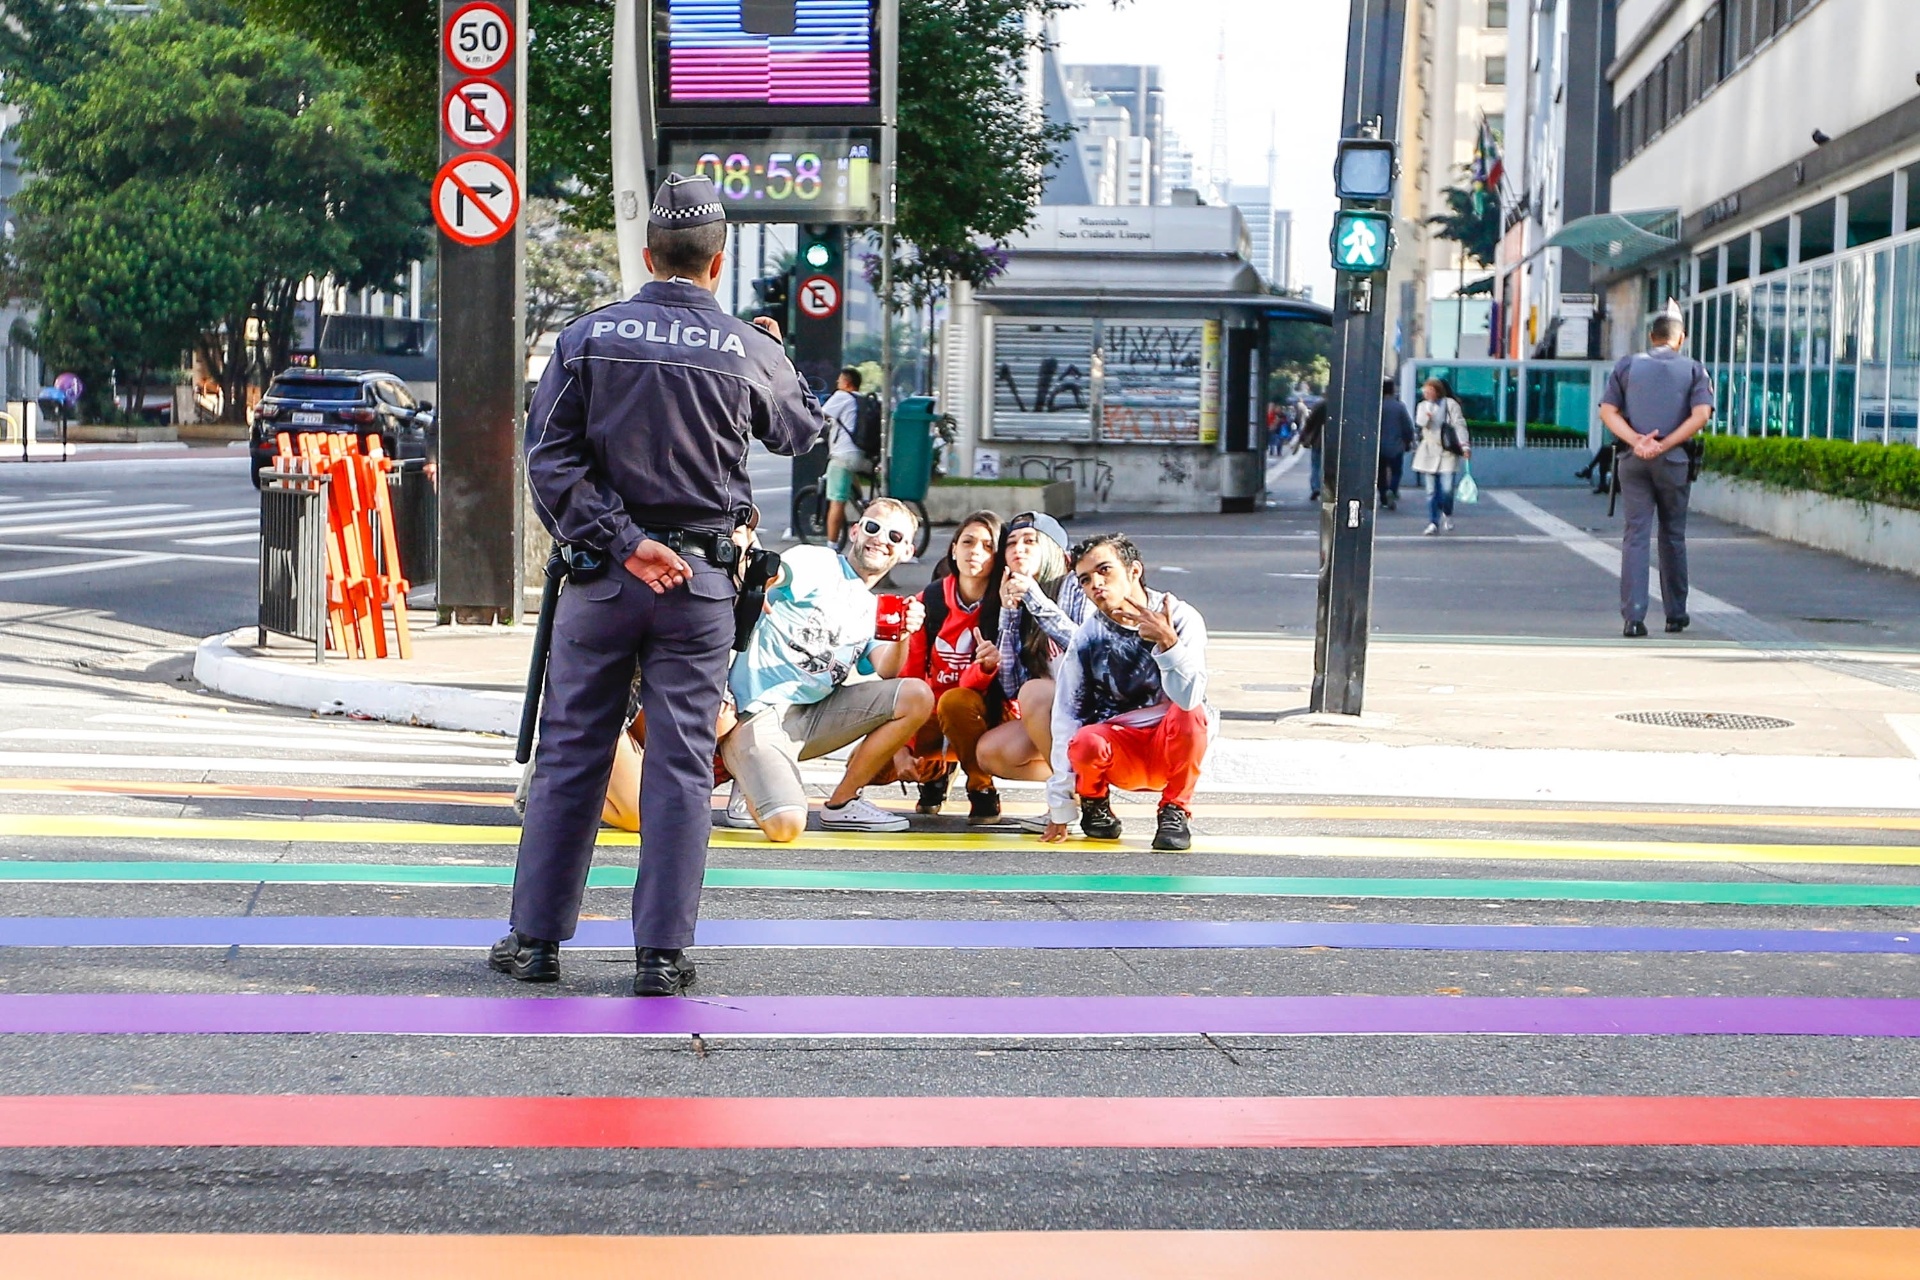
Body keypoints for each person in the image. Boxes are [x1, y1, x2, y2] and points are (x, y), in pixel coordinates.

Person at [495, 172, 821, 997]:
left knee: (572, 753)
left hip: (603, 580)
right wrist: (775, 351)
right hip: (701, 585)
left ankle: (535, 943)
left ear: (649, 257)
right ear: (719, 262)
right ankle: (660, 957)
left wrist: (624, 541)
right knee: (680, 767)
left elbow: (548, 459)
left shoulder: (588, 336)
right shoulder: (748, 348)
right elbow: (800, 431)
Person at [720, 497, 935, 840]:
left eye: (894, 536)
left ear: (907, 551)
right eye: (873, 527)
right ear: (856, 531)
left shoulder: (874, 607)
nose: (881, 539)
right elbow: (779, 573)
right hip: (760, 714)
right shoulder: (820, 562)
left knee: (916, 695)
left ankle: (843, 802)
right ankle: (749, 782)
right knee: (786, 826)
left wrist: (905, 634)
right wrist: (764, 575)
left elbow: (888, 671)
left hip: (813, 717)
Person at [1041, 534, 1214, 853]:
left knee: (1192, 713)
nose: (1096, 584)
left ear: (1134, 571)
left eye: (1104, 570)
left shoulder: (1180, 617)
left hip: (1170, 746)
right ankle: (1095, 803)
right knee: (1085, 738)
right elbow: (1067, 716)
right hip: (1118, 750)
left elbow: (1190, 697)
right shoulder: (1088, 636)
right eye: (1085, 579)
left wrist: (1168, 643)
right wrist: (1060, 806)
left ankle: (1175, 810)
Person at [959, 511, 1091, 830]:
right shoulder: (1018, 596)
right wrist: (1010, 614)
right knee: (991, 753)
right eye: (1011, 543)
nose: (1018, 549)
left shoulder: (1076, 585)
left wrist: (1035, 597)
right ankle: (1085, 782)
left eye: (1030, 541)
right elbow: (1011, 687)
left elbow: (1085, 650)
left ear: (1056, 552)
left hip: (1097, 710)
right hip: (1059, 716)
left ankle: (1072, 800)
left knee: (1036, 692)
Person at [1600, 312, 1713, 638]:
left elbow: (1607, 411)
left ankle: (1633, 617)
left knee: (1635, 535)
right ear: (1681, 339)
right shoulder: (1694, 369)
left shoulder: (1626, 365)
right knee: (1672, 535)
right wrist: (1665, 444)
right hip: (1674, 461)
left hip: (1632, 460)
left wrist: (1637, 441)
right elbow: (1701, 415)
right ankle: (1675, 614)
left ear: (1651, 337)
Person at [897, 511, 1003, 816]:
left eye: (988, 546)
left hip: (989, 713)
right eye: (968, 542)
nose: (975, 551)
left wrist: (984, 669)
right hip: (933, 709)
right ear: (953, 549)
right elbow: (909, 676)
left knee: (956, 702)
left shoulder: (1005, 605)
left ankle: (981, 786)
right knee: (874, 764)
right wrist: (903, 747)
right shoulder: (928, 601)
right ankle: (935, 771)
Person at [1411, 376, 1470, 534]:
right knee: (1431, 490)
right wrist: (1427, 416)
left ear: (1437, 391)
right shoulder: (1422, 406)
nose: (1427, 394)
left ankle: (1447, 513)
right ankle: (1433, 522)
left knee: (1447, 489)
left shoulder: (1450, 404)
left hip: (1447, 451)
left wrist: (1465, 446)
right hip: (1429, 451)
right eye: (1425, 391)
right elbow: (1420, 423)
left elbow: (1459, 425)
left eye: (1430, 391)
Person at [821, 367, 865, 544]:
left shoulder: (841, 396)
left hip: (843, 454)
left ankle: (831, 545)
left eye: (839, 380)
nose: (837, 383)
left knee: (836, 501)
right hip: (861, 453)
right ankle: (863, 503)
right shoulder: (862, 400)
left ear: (847, 383)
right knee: (850, 472)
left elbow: (821, 415)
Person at [1378, 379, 1416, 511]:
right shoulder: (1399, 407)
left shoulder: (1377, 406)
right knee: (1396, 472)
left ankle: (1383, 497)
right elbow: (1407, 426)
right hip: (1396, 445)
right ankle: (1392, 490)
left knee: (1381, 473)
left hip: (1379, 447)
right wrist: (1408, 441)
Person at [1300, 396, 1326, 501]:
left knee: (1316, 465)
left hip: (1318, 440)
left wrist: (1303, 437)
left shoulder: (1320, 405)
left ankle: (1316, 487)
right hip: (1335, 440)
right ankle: (1329, 487)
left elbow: (1309, 421)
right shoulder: (1342, 403)